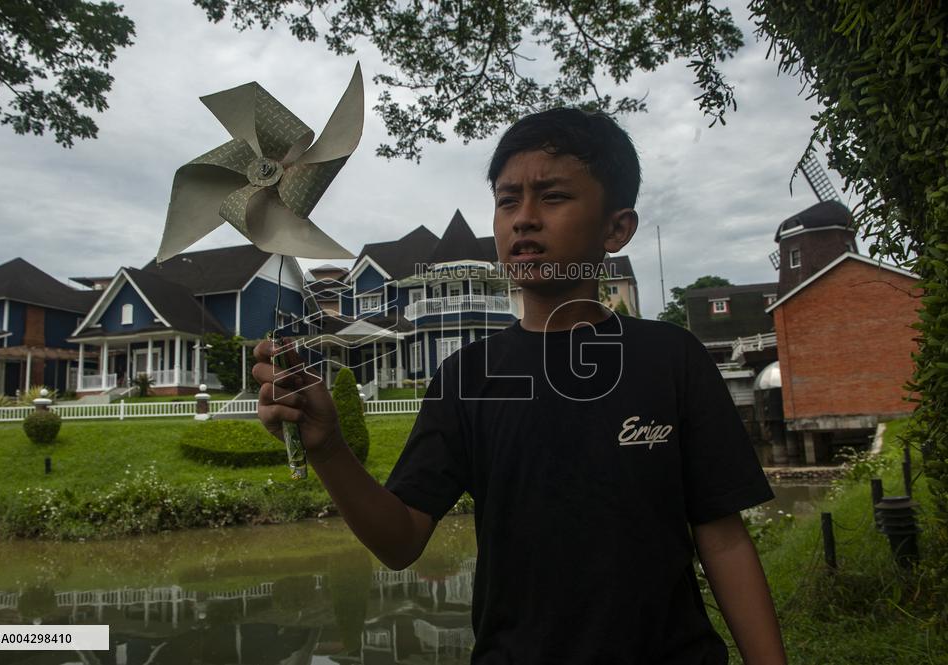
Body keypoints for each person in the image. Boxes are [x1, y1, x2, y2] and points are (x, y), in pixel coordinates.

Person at [252, 108, 787, 664]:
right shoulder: (467, 377)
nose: (523, 219)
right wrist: (329, 448)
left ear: (616, 227)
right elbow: (400, 542)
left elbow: (722, 540)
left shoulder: (673, 359)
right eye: (508, 201)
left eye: (552, 197)